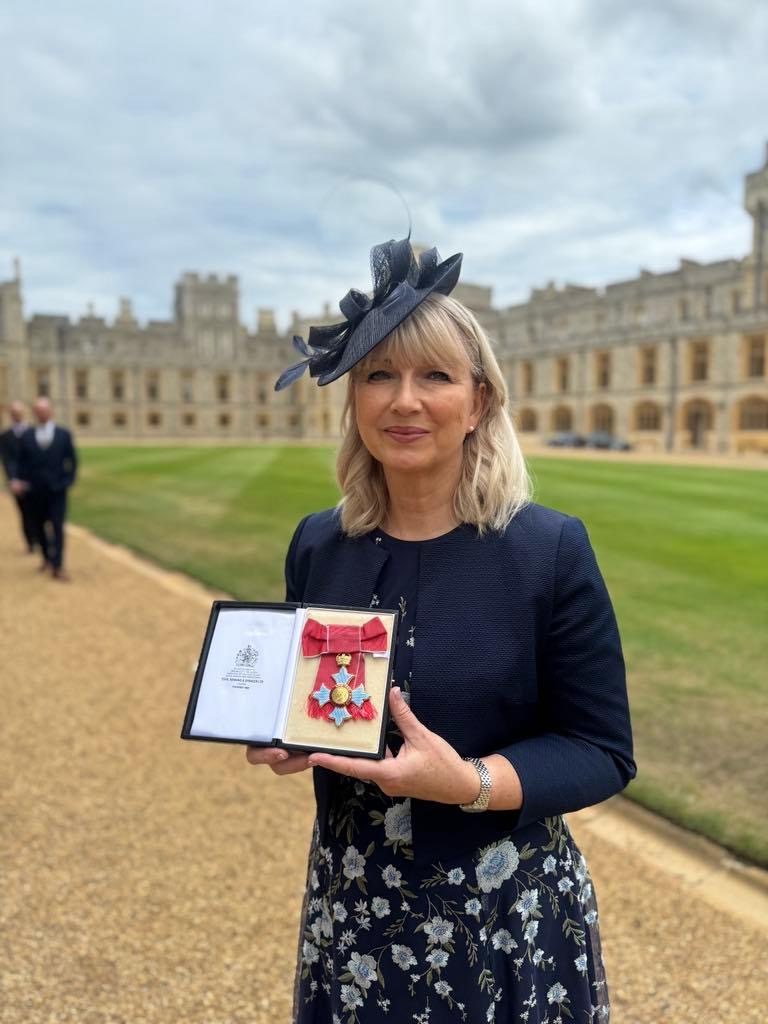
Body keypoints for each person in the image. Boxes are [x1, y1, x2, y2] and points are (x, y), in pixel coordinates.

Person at [247, 238, 635, 1023]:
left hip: (505, 919)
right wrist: (289, 731)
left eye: (435, 376)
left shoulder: (547, 550)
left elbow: (601, 749)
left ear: (480, 400)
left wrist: (472, 784)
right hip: (353, 914)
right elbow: (320, 703)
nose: (404, 401)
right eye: (379, 375)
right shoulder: (318, 546)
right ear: (354, 398)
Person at [11, 396, 77, 580]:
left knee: (57, 527)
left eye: (44, 409)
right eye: (38, 410)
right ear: (34, 413)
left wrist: (68, 481)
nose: (41, 413)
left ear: (50, 411)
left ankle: (58, 565)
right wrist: (17, 479)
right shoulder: (27, 435)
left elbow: (72, 460)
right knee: (38, 526)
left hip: (57, 490)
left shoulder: (64, 434)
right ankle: (47, 558)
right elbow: (20, 462)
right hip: (34, 490)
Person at [0, 400, 37, 553]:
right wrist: (13, 479)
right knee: (24, 512)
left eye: (19, 412)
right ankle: (30, 542)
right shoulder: (5, 436)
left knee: (37, 511)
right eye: (14, 413)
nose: (17, 415)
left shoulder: (33, 432)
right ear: (11, 415)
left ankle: (39, 539)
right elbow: (7, 460)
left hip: (34, 480)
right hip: (16, 481)